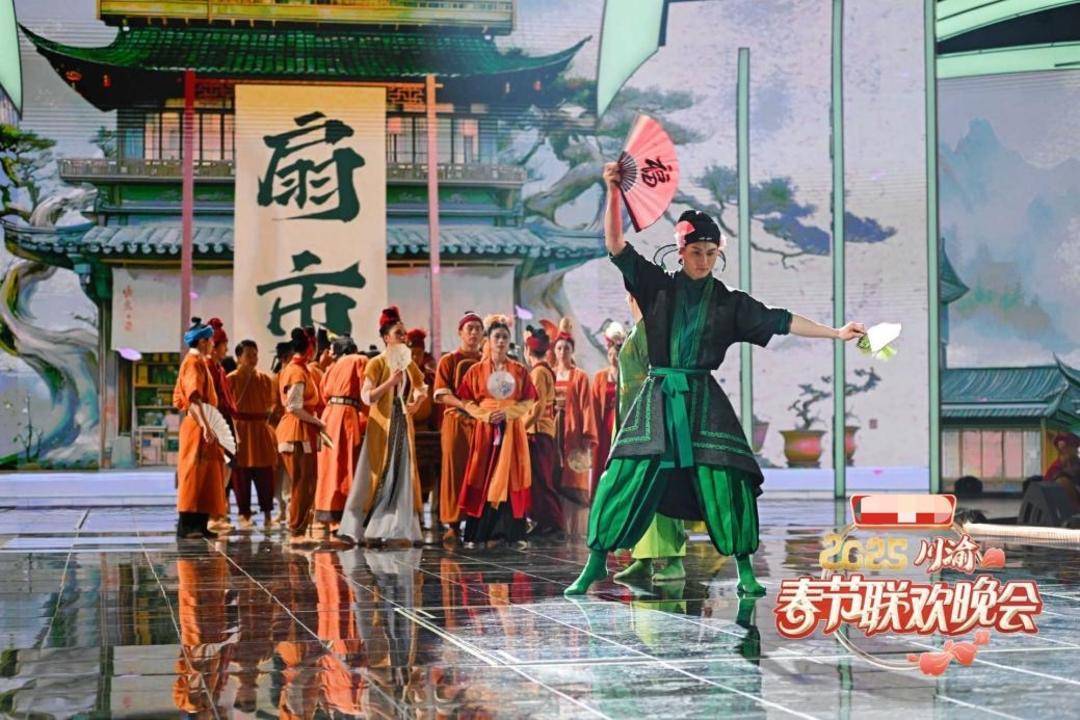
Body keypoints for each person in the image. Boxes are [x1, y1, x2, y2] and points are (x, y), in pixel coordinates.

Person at [565, 163, 867, 596]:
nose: (703, 260)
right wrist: (613, 191)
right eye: (696, 252)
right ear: (680, 252)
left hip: (703, 399)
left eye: (710, 253)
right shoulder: (656, 286)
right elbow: (615, 245)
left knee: (727, 477)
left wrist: (836, 333)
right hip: (658, 395)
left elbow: (780, 320)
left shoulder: (729, 303)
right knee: (625, 472)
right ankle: (595, 563)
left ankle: (745, 569)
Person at [611, 294, 687, 582]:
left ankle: (674, 559)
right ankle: (643, 559)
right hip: (634, 421)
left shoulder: (657, 333)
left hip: (654, 421)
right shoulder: (638, 331)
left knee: (664, 493)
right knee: (640, 494)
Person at [339, 306, 428, 546]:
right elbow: (367, 397)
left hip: (402, 424)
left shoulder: (408, 363)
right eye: (398, 333)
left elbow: (421, 387)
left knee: (401, 475)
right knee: (378, 475)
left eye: (404, 333)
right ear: (386, 337)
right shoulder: (376, 363)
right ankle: (369, 528)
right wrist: (390, 382)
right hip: (381, 427)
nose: (403, 337)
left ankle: (398, 529)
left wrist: (416, 403)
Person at [456, 317, 537, 548]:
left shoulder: (519, 370)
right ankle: (480, 532)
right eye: (496, 337)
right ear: (488, 341)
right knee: (483, 473)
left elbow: (529, 399)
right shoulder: (475, 371)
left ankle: (511, 532)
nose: (500, 341)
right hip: (486, 429)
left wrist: (509, 413)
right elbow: (466, 401)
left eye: (504, 337)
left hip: (511, 430)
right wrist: (484, 415)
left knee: (511, 475)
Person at [172, 317, 228, 539]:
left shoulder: (199, 362)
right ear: (203, 341)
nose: (213, 344)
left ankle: (200, 524)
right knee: (193, 473)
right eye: (211, 340)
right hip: (197, 424)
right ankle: (188, 525)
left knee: (206, 475)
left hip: (204, 421)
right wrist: (205, 425)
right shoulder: (193, 363)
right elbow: (194, 399)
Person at [433, 312, 484, 541]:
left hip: (481, 423)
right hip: (455, 421)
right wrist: (465, 405)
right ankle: (453, 523)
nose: (473, 333)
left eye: (478, 329)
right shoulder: (449, 360)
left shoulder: (487, 361)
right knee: (454, 472)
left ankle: (477, 522)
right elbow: (441, 394)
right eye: (469, 328)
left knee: (479, 471)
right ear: (460, 333)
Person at [314, 335, 369, 540]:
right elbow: (365, 393)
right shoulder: (359, 360)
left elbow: (323, 395)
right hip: (347, 415)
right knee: (348, 465)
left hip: (329, 416)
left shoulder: (330, 368)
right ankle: (348, 518)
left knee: (330, 468)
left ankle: (331, 519)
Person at [277, 327, 326, 545]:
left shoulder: (298, 369)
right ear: (310, 348)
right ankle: (296, 530)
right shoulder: (296, 372)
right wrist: (317, 422)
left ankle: (299, 528)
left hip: (300, 428)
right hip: (297, 430)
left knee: (305, 481)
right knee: (301, 481)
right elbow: (294, 406)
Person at [551, 318, 597, 533]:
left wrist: (587, 435)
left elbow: (586, 406)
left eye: (566, 348)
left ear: (572, 351)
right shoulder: (549, 373)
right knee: (552, 472)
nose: (562, 352)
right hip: (553, 429)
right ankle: (555, 522)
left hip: (573, 432)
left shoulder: (580, 377)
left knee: (573, 474)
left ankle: (574, 526)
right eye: (559, 348)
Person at [227, 339, 278, 530]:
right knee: (241, 474)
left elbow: (272, 404)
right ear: (238, 357)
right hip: (240, 430)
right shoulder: (230, 379)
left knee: (265, 473)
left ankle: (267, 513)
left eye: (255, 354)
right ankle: (244, 514)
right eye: (248, 355)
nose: (253, 358)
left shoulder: (264, 379)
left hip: (260, 428)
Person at [523, 324, 565, 538]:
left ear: (527, 350)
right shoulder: (544, 370)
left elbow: (538, 407)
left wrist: (522, 426)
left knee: (542, 478)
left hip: (538, 430)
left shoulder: (539, 372)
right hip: (540, 430)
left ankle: (553, 522)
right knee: (539, 479)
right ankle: (543, 520)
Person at [205, 317, 239, 533]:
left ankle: (219, 513)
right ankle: (214, 515)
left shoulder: (218, 368)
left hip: (224, 422)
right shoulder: (208, 367)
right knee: (217, 471)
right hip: (216, 422)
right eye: (224, 345)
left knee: (224, 471)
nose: (226, 349)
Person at [591, 322, 626, 498]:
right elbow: (594, 403)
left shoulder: (627, 375)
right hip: (604, 423)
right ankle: (600, 496)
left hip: (621, 421)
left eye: (616, 354)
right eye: (610, 354)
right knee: (602, 457)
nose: (613, 358)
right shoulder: (600, 377)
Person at [270, 341, 293, 527]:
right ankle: (283, 508)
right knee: (280, 471)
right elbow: (272, 406)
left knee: (290, 471)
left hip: (290, 427)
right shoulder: (277, 379)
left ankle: (289, 509)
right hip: (280, 429)